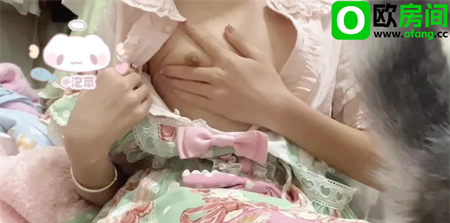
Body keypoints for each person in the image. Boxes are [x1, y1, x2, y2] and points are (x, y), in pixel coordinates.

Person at [62, 0, 379, 209]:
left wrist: (279, 109)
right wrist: (83, 149)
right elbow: (105, 195)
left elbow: (391, 167)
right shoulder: (136, 8)